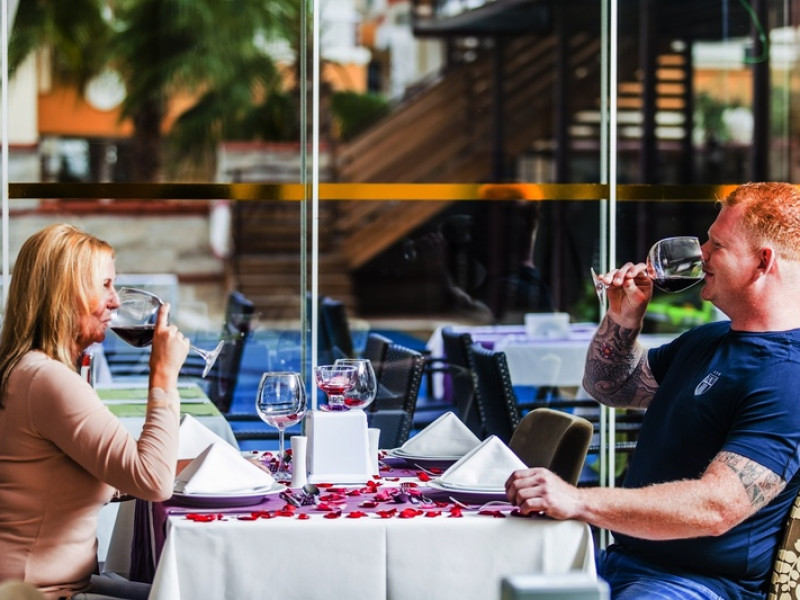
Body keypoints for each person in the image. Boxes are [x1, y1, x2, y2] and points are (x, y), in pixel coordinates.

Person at [505, 182, 800, 600]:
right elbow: (611, 387)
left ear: (762, 262)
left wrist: (579, 500)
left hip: (697, 586)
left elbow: (717, 507)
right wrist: (622, 320)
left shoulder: (788, 377)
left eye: (717, 245)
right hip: (622, 562)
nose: (702, 253)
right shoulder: (708, 340)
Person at [0, 224, 190, 599]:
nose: (115, 301)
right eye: (105, 285)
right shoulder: (48, 381)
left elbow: (108, 472)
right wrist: (163, 375)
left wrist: (212, 468)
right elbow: (153, 482)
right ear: (64, 293)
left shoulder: (27, 370)